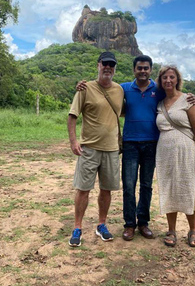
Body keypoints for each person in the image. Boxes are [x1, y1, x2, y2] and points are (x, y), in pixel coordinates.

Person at [77, 55, 195, 242]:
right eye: (139, 68)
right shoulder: (124, 88)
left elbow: (175, 96)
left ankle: (143, 222)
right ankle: (129, 225)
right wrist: (81, 85)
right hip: (131, 143)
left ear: (150, 70)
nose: (142, 71)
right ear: (134, 70)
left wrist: (191, 96)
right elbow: (105, 89)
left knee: (147, 185)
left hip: (152, 143)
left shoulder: (158, 90)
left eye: (146, 68)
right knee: (129, 186)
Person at [67, 51, 124, 247]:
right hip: (89, 148)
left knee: (106, 189)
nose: (108, 67)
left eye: (111, 64)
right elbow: (72, 115)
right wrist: (74, 141)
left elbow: (129, 105)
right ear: (98, 65)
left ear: (115, 68)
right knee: (83, 189)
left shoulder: (119, 90)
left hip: (111, 149)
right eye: (104, 63)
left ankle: (102, 224)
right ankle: (77, 227)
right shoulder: (85, 88)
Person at [155, 65, 195, 248]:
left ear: (177, 80)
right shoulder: (159, 103)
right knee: (170, 188)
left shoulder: (187, 100)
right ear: (160, 81)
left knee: (188, 187)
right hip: (165, 154)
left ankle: (193, 230)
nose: (168, 80)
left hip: (187, 152)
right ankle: (171, 230)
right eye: (164, 78)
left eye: (171, 77)